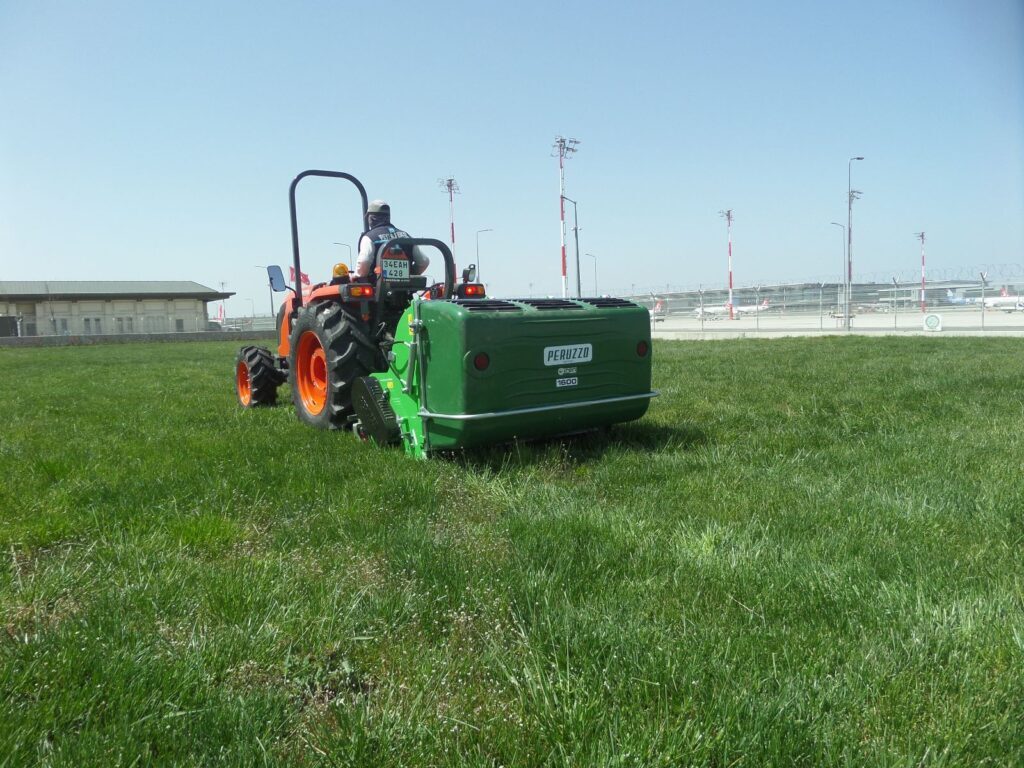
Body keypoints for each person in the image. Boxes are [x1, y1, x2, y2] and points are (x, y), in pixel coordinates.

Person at [355, 200, 430, 279]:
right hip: (404, 288)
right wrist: (410, 274)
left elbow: (364, 262)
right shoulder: (406, 236)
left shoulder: (370, 237)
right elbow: (424, 261)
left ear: (372, 218)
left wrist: (356, 276)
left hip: (377, 288)